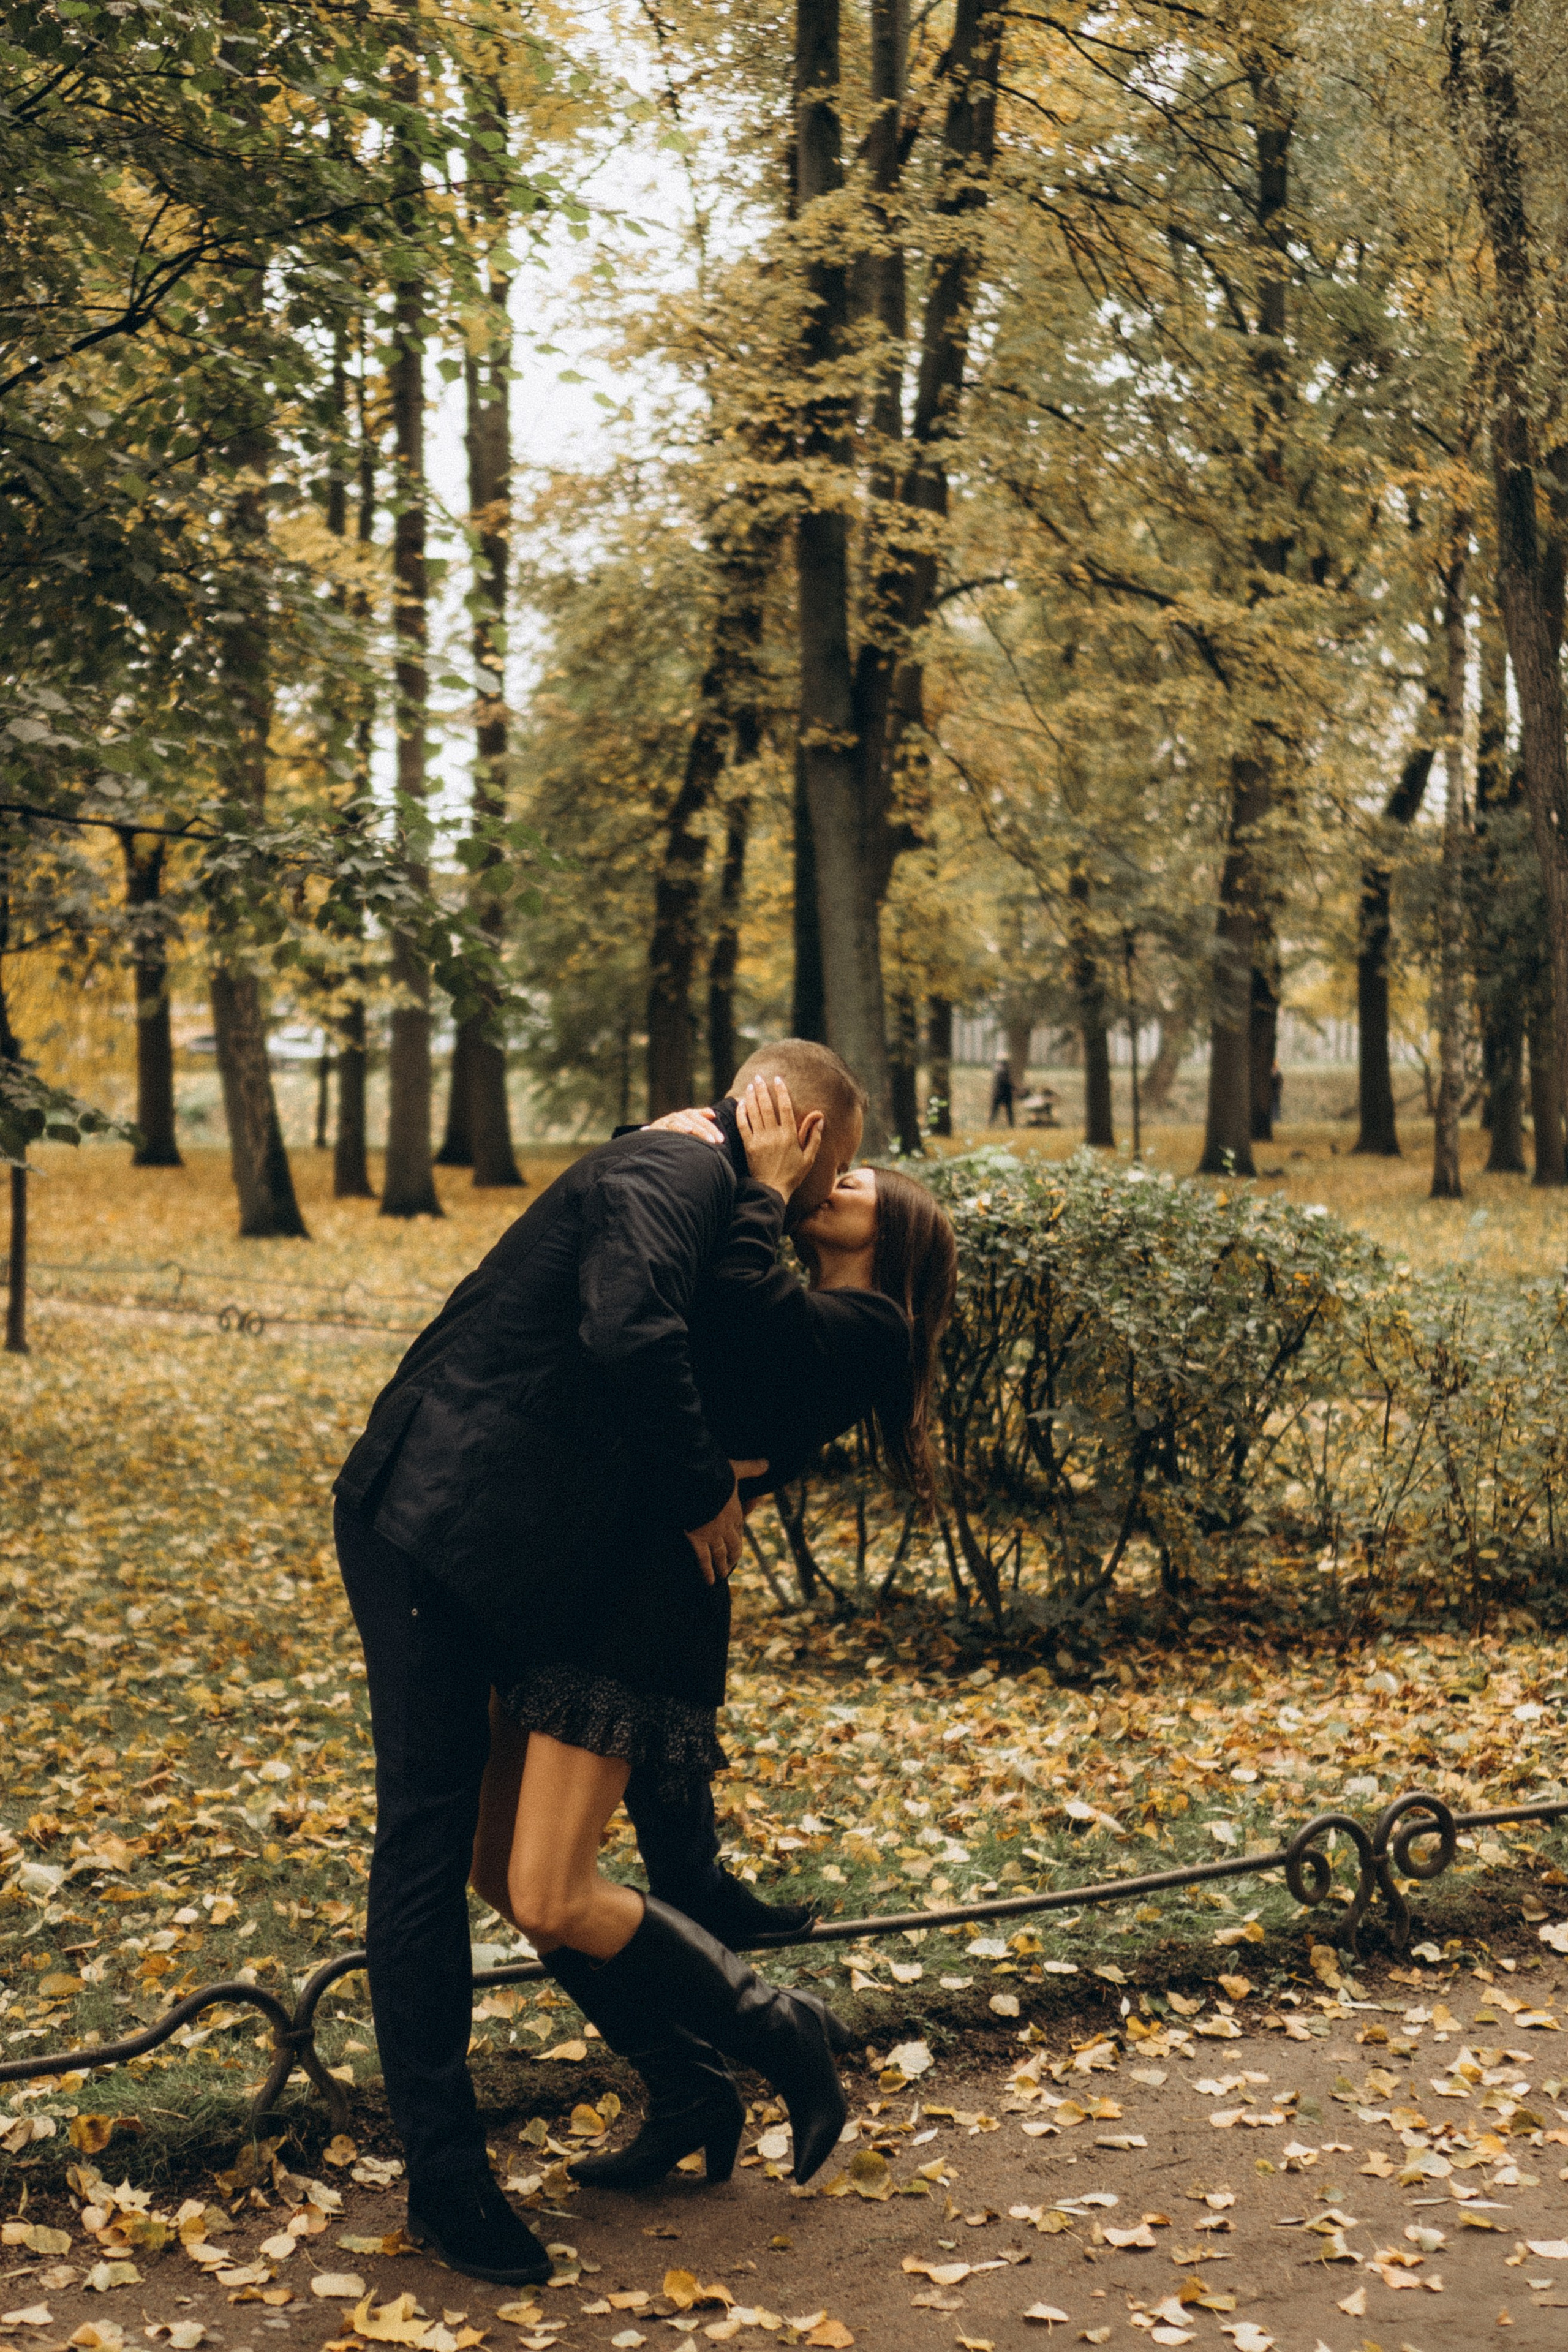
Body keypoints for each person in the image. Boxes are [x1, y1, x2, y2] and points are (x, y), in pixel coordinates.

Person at [333, 1041, 866, 2283]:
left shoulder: (698, 1182)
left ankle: (689, 2079)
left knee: (503, 1862)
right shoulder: (675, 1171)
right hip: (430, 1524)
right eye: (828, 1161)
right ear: (797, 1125)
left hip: (515, 1549)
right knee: (427, 1840)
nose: (822, 1189)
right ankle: (447, 2184)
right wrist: (697, 1495)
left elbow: (725, 1354)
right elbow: (628, 1329)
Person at [468, 1076, 957, 2197]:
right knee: (498, 1869)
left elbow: (732, 1307)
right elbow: (657, 1297)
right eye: (831, 1172)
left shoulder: (872, 1326)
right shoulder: (799, 1290)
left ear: (902, 1236)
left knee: (550, 1889)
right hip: (594, 1573)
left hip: (648, 1605)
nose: (836, 1182)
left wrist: (768, 1188)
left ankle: (780, 2026)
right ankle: (685, 2086)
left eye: (861, 1181)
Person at [989, 1050, 1015, 1125]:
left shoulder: (997, 1068)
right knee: (1009, 1111)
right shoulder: (1003, 1069)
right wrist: (1014, 1088)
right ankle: (1011, 1126)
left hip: (997, 1093)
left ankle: (990, 1124)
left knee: (994, 1111)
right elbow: (1006, 1082)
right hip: (1004, 1093)